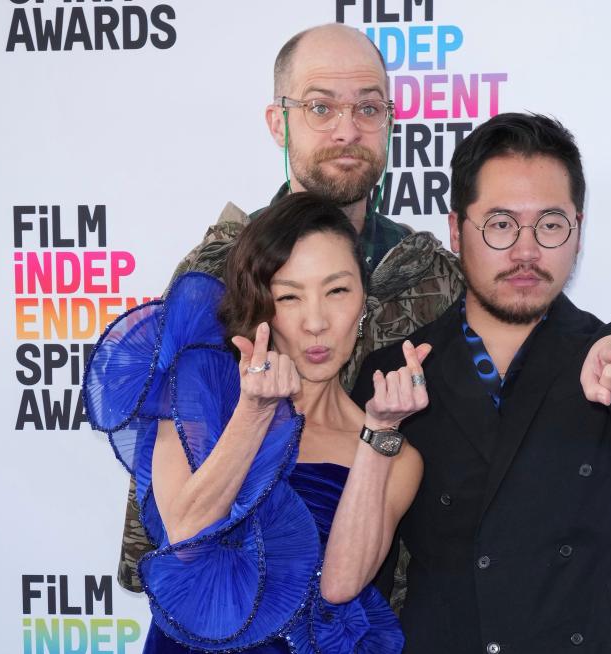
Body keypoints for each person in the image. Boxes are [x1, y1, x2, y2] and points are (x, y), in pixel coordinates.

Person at [114, 22, 464, 595]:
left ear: (390, 121)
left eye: (368, 108)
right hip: (230, 601)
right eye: (320, 107)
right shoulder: (217, 273)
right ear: (279, 123)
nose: (347, 130)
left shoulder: (432, 275)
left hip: (381, 606)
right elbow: (168, 497)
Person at [352, 113, 611, 653]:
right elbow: (359, 567)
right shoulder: (395, 372)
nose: (527, 251)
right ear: (457, 229)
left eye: (551, 224)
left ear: (578, 231)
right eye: (501, 224)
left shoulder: (610, 351)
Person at [83, 193, 430, 653]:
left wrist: (381, 430)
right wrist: (254, 414)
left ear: (364, 299)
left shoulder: (389, 449)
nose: (316, 322)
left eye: (338, 291)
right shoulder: (200, 397)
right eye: (289, 296)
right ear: (260, 305)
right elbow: (184, 534)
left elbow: (341, 586)